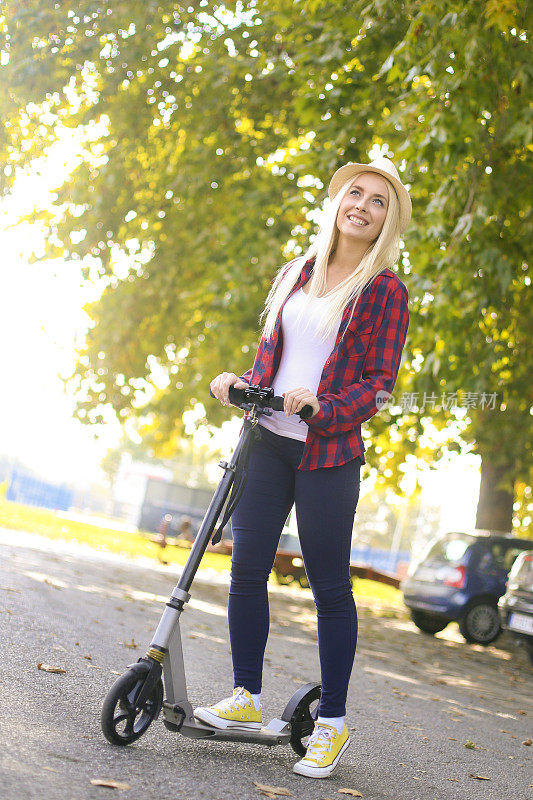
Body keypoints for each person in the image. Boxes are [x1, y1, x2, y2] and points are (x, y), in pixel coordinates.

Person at [194, 156, 411, 779]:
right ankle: (244, 697)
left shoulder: (384, 291)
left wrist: (326, 408)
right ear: (337, 201)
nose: (362, 206)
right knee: (246, 567)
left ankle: (332, 723)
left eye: (377, 201)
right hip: (268, 440)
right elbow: (276, 360)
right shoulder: (296, 272)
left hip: (327, 452)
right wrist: (241, 382)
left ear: (386, 220)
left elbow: (379, 386)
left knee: (330, 590)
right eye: (355, 193)